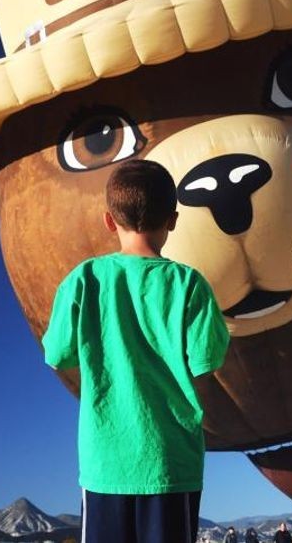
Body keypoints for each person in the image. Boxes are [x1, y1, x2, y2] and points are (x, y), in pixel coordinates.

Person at [42, 160, 229, 543]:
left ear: (110, 221)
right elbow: (206, 362)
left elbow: (57, 353)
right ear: (173, 219)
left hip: (105, 462)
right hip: (170, 460)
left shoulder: (83, 279)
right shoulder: (189, 284)